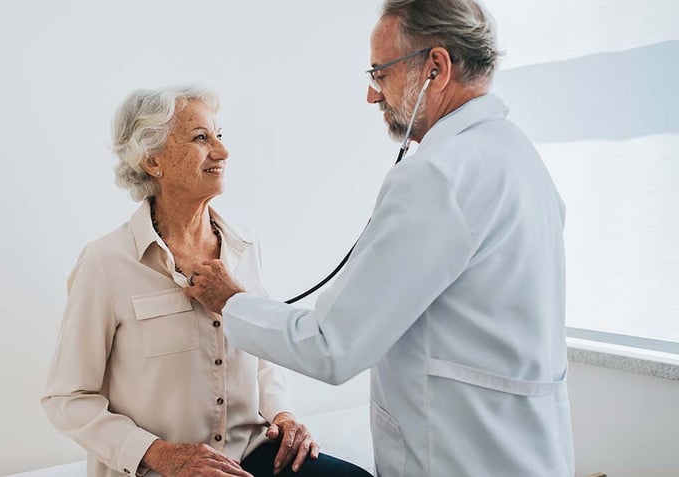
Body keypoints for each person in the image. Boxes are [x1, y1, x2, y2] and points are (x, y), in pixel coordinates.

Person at [184, 1, 575, 476]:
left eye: (381, 73)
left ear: (436, 67)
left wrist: (230, 301)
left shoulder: (436, 175)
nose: (373, 95)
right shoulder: (518, 155)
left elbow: (332, 346)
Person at [41, 86, 372, 477]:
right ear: (153, 161)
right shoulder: (105, 262)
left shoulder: (243, 246)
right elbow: (67, 398)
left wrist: (283, 414)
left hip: (250, 452)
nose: (222, 151)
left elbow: (260, 355)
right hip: (160, 468)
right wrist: (159, 454)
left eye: (219, 135)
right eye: (201, 138)